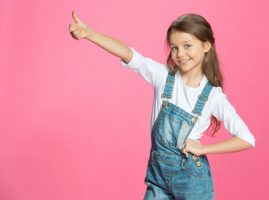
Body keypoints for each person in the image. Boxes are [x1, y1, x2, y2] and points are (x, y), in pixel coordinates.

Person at [69, 11, 255, 200]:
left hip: (192, 182)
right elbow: (129, 54)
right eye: (174, 48)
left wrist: (204, 149)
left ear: (206, 45)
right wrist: (90, 34)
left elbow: (247, 139)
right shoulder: (164, 77)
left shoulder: (213, 97)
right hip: (158, 177)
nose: (180, 54)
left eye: (187, 46)